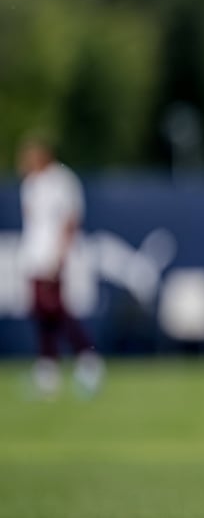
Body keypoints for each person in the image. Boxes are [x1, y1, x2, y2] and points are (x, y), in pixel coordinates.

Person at [17, 134, 104, 397]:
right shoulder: (30, 184)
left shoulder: (63, 181)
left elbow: (70, 220)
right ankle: (48, 368)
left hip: (54, 257)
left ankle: (88, 359)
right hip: (34, 257)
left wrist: (60, 256)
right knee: (43, 313)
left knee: (57, 310)